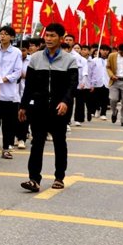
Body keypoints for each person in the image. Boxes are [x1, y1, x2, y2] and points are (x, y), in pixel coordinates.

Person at [19, 23, 78, 192]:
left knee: (59, 142)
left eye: (53, 36)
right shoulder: (35, 58)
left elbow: (72, 86)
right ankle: (34, 179)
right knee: (37, 142)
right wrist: (23, 106)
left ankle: (59, 176)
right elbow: (29, 85)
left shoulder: (70, 60)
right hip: (39, 107)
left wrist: (65, 102)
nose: (49, 39)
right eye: (47, 35)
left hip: (60, 108)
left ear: (60, 38)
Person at [0, 27, 22, 159]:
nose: (2, 36)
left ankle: (6, 148)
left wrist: (4, 78)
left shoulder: (16, 52)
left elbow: (18, 71)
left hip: (9, 93)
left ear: (12, 37)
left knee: (8, 124)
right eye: (1, 34)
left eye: (6, 34)